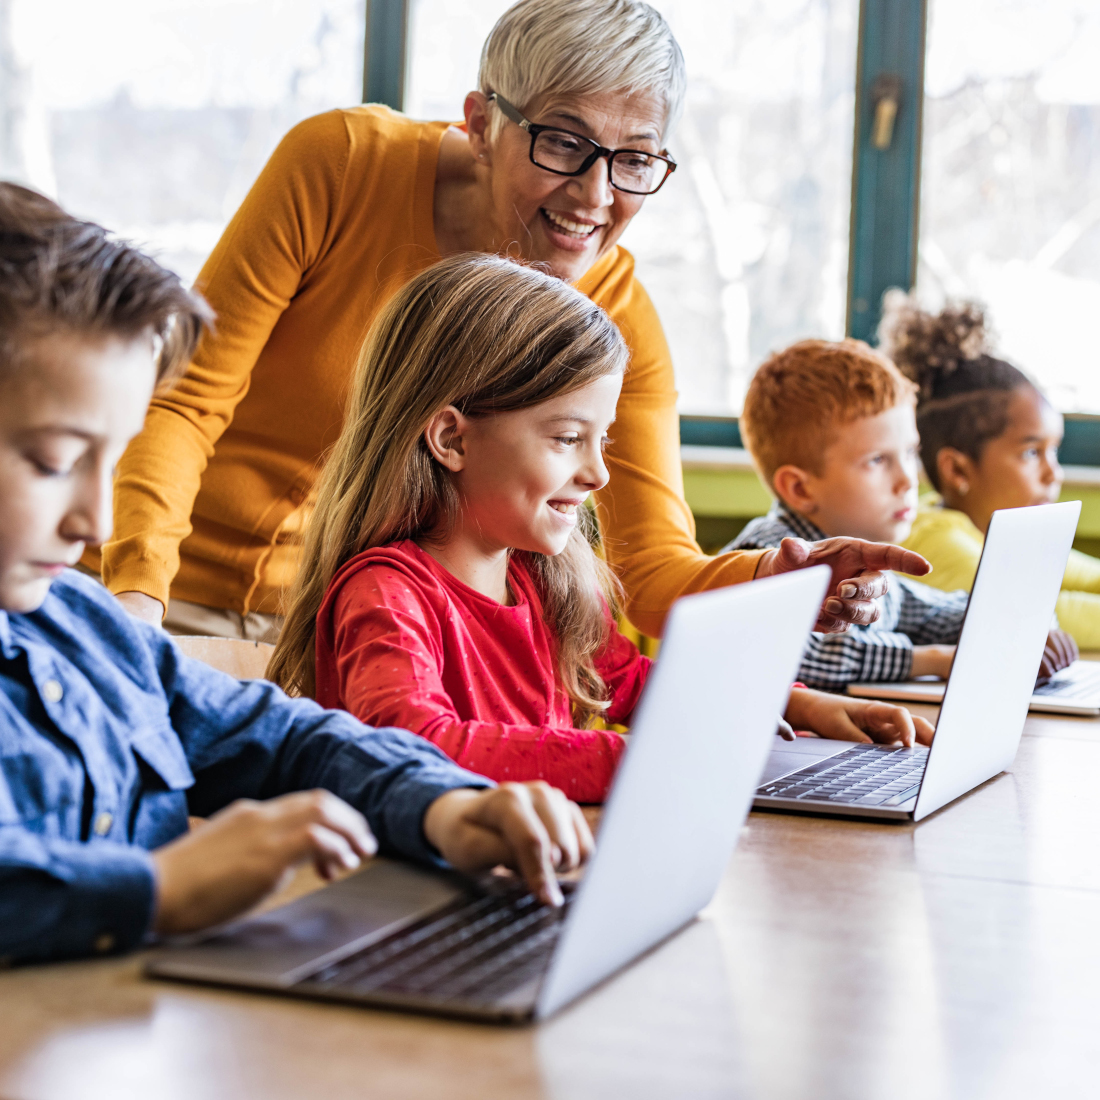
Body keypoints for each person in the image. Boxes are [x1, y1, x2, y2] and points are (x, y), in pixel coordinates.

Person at [86, 0, 927, 644]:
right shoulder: (341, 165)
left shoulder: (617, 317)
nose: (596, 198)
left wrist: (778, 579)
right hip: (154, 593)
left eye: (634, 158)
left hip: (340, 637)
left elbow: (651, 568)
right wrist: (136, 602)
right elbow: (185, 401)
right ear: (482, 124)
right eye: (562, 143)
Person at [0, 184, 593, 966]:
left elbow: (280, 738)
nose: (97, 524)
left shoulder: (79, 623)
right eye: (55, 461)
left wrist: (444, 806)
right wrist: (157, 888)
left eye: (112, 461)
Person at [268, 255, 937, 802]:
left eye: (602, 441)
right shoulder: (387, 594)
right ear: (450, 437)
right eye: (566, 438)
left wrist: (797, 706)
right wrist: (633, 762)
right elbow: (412, 742)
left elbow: (639, 683)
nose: (597, 475)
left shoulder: (539, 580)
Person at [723, 338, 1076, 688]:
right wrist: (934, 660)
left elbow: (935, 614)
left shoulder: (869, 566)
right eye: (877, 460)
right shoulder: (763, 557)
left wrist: (1027, 625)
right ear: (800, 489)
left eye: (910, 452)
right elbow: (800, 653)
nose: (908, 479)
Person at [881, 293, 1100, 652]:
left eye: (1053, 450)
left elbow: (1090, 578)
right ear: (957, 470)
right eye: (1031, 452)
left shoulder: (998, 529)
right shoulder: (937, 544)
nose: (1053, 474)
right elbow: (1042, 616)